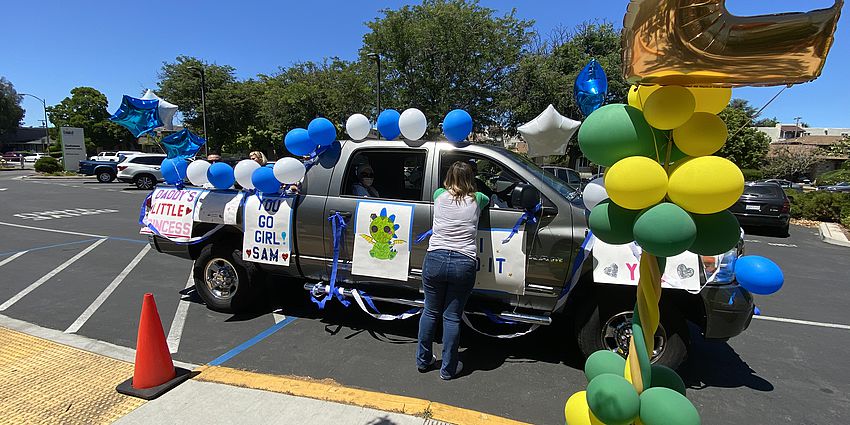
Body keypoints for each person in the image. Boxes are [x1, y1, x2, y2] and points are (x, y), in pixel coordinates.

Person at [416, 161, 488, 380]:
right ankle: (447, 369)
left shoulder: (439, 194)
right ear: (471, 179)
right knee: (452, 317)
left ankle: (423, 360)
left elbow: (446, 191)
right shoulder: (478, 199)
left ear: (449, 177)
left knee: (430, 311)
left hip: (435, 258)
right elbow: (486, 197)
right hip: (463, 261)